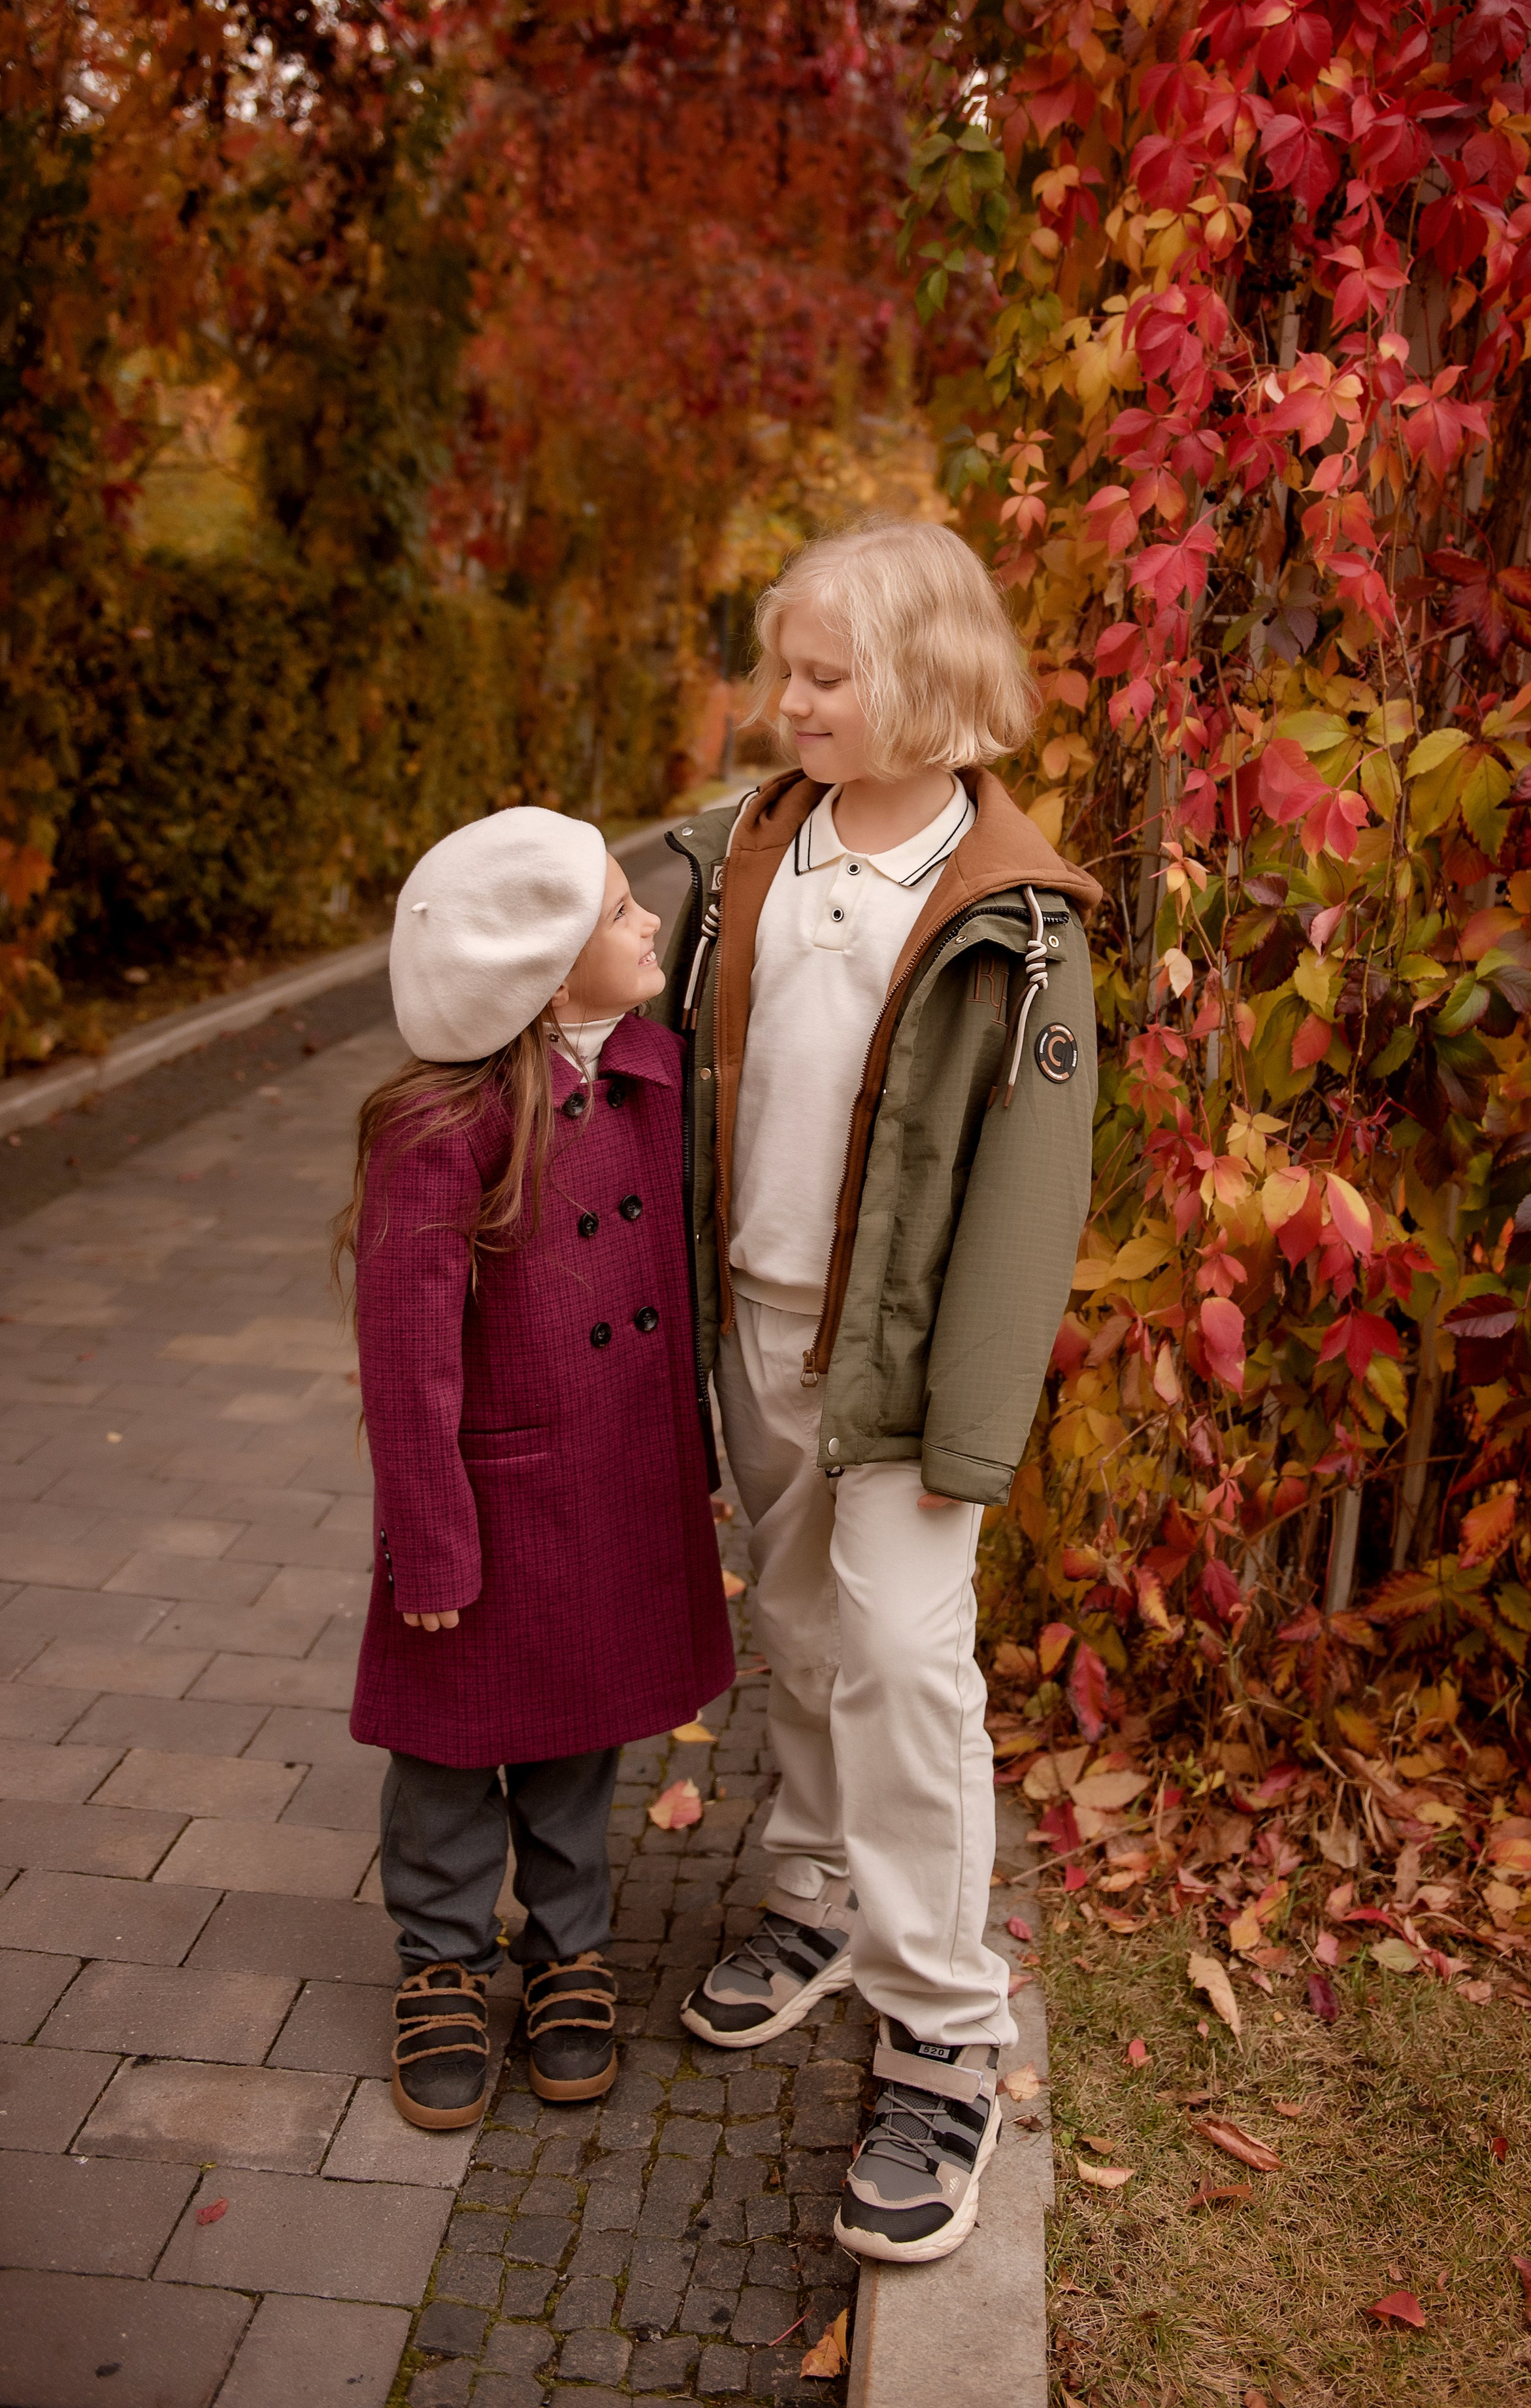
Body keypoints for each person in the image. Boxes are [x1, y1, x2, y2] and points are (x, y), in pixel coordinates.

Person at [653, 517, 1098, 2264]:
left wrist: (970, 1434)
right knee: (806, 1625)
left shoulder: (1018, 917)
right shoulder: (749, 848)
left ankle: (943, 2029)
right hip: (757, 1316)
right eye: (790, 670)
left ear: (923, 679)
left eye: (826, 675)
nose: (792, 701)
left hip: (904, 1368)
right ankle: (819, 1883)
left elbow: (1035, 1194)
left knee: (910, 1659)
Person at [338, 807, 734, 2132]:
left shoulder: (648, 1078)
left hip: (610, 1486)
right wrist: (430, 1543)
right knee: (451, 1754)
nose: (645, 925)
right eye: (621, 911)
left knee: (579, 1736)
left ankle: (569, 1951)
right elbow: (405, 1364)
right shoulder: (442, 1132)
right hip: (491, 1499)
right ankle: (440, 1962)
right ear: (554, 972)